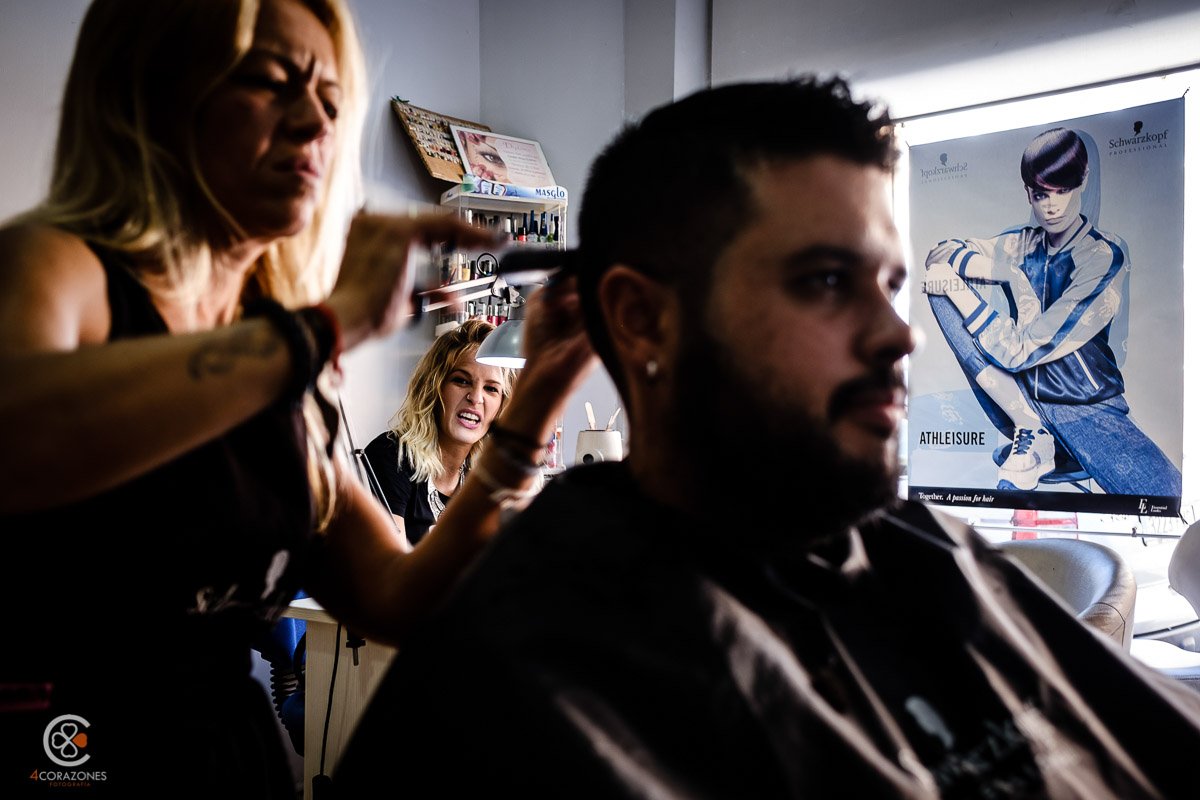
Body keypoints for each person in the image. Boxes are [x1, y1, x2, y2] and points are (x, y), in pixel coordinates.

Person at [335, 78, 1200, 798]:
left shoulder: (920, 551)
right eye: (825, 280)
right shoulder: (516, 677)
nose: (902, 335)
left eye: (891, 283)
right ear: (641, 319)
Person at [0, 0, 594, 795]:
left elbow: (396, 596)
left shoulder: (280, 349)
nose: (316, 122)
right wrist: (323, 326)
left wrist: (535, 403)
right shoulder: (56, 268)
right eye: (274, 81)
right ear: (153, 92)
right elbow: (18, 439)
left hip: (235, 760)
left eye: (330, 99)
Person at [923, 127, 1181, 496]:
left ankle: (1041, 433)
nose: (1051, 206)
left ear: (1083, 182)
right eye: (1042, 193)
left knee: (1164, 498)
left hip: (1083, 406)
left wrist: (1010, 279)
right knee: (938, 284)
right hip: (1020, 399)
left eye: (1063, 191)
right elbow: (941, 253)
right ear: (1029, 191)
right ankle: (1031, 429)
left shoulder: (1102, 256)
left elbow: (1021, 351)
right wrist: (1000, 270)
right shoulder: (1022, 244)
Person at [363, 319, 513, 547]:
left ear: (502, 405)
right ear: (435, 387)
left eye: (491, 388)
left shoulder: (486, 477)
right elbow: (392, 571)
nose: (476, 397)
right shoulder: (393, 456)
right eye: (461, 381)